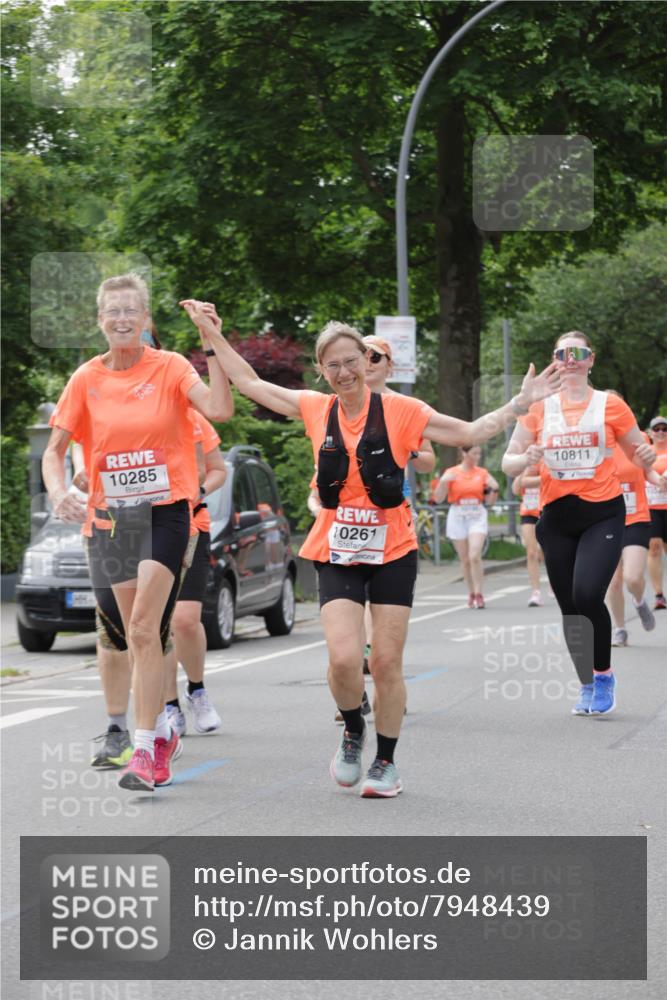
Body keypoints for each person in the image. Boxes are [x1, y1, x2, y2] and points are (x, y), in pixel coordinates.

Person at [182, 301, 560, 797]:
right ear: (321, 371)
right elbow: (251, 383)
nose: (343, 372)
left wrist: (518, 404)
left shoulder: (402, 411)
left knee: (384, 663)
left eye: (350, 361)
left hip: (393, 550)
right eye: (332, 364)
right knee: (343, 660)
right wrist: (211, 335)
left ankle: (385, 761)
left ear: (366, 360)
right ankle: (352, 731)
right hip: (336, 548)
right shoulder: (316, 408)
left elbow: (467, 433)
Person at [42, 274, 233, 792]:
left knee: (147, 628)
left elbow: (219, 409)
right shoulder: (85, 378)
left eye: (132, 311)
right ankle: (160, 734)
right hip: (109, 521)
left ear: (146, 320)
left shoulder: (170, 367)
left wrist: (211, 343)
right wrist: (60, 490)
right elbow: (53, 452)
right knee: (132, 635)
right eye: (113, 311)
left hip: (165, 512)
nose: (122, 319)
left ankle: (146, 747)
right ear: (100, 321)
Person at [502, 332, 655, 717]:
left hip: (602, 511)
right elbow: (508, 462)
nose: (571, 360)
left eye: (578, 353)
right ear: (554, 359)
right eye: (562, 353)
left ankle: (603, 676)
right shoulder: (538, 408)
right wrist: (525, 459)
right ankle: (586, 682)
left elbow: (639, 455)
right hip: (556, 518)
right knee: (570, 608)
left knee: (588, 594)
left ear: (591, 360)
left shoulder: (611, 406)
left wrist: (649, 457)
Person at [165, 409, 227, 735]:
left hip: (191, 528)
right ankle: (168, 705)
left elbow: (218, 470)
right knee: (156, 626)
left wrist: (200, 491)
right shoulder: (128, 420)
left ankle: (196, 690)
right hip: (141, 531)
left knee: (185, 620)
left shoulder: (193, 420)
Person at [604, 392, 658, 645]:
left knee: (633, 577)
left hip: (635, 516)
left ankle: (638, 600)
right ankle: (620, 628)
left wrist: (661, 481)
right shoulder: (593, 444)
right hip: (604, 519)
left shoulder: (639, 439)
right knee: (612, 582)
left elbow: (649, 473)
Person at [433, 446, 499, 608]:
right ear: (464, 453)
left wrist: (494, 489)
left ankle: (479, 593)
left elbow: (490, 502)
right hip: (458, 515)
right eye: (474, 453)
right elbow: (438, 499)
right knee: (465, 559)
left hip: (477, 515)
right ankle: (471, 593)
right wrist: (442, 482)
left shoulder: (482, 473)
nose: (477, 456)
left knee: (474, 554)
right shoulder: (452, 472)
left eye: (479, 453)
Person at [511, 463, 544, 607]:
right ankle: (536, 592)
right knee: (531, 553)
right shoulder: (524, 463)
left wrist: (535, 478)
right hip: (528, 513)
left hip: (546, 511)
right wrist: (522, 472)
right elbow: (515, 489)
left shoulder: (545, 461)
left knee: (549, 552)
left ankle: (557, 585)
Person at [646, 415, 667, 609]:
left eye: (664, 429)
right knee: (654, 547)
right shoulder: (646, 453)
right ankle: (659, 594)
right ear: (650, 433)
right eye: (657, 429)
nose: (660, 432)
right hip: (651, 507)